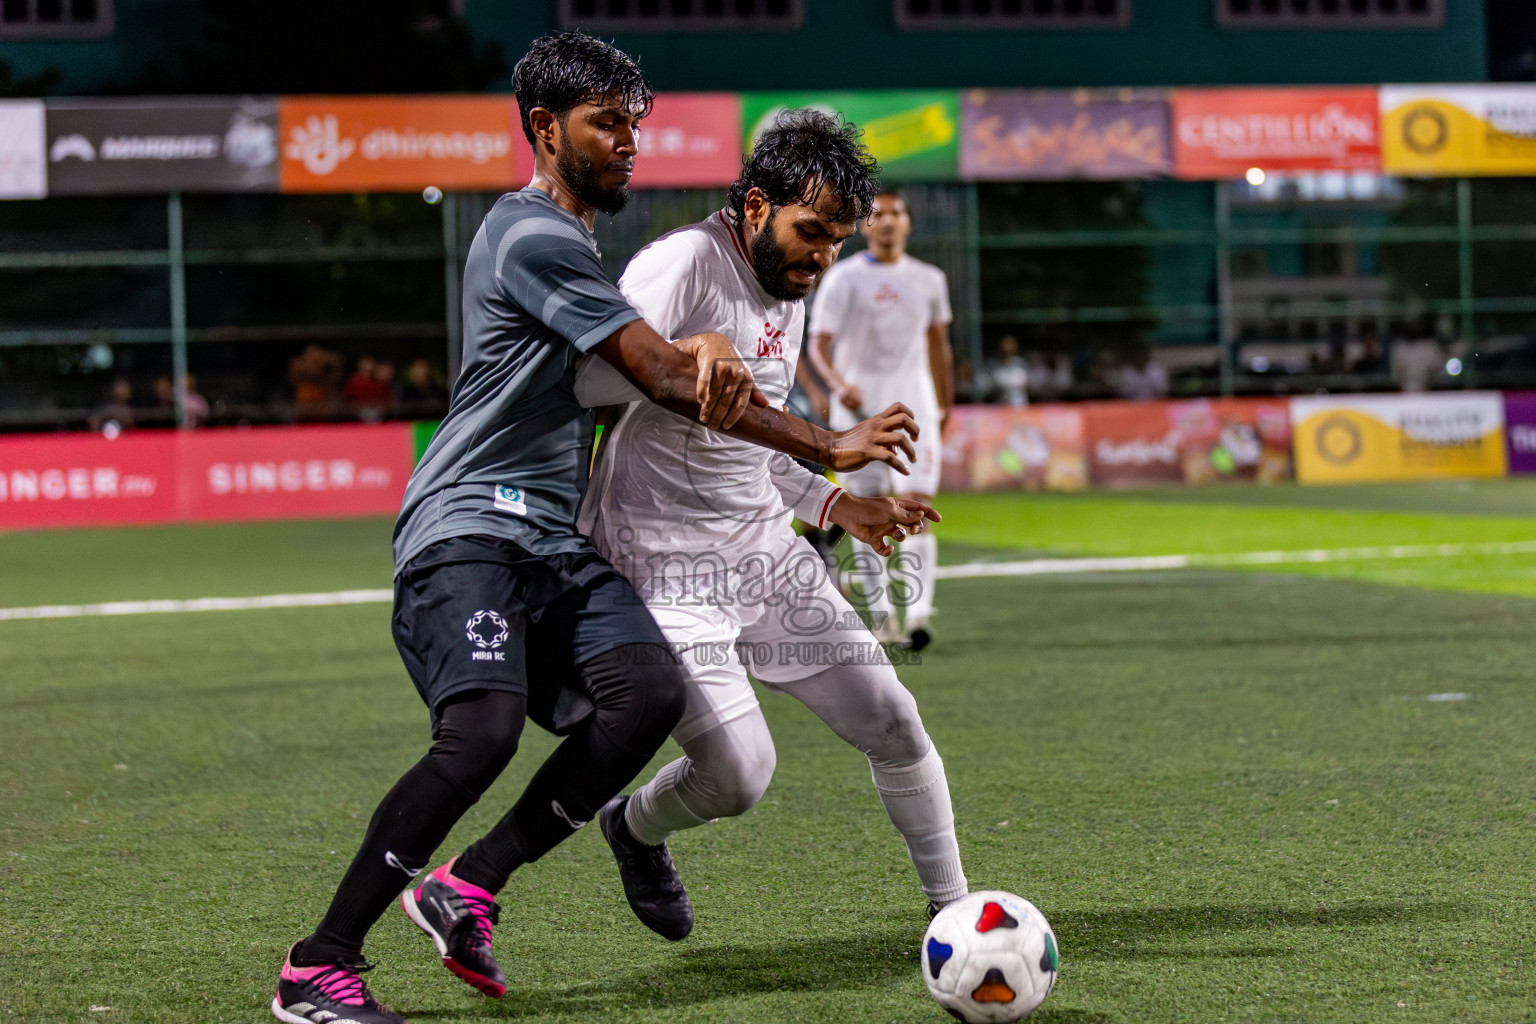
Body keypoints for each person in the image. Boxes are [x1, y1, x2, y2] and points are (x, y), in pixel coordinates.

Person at [271, 34, 920, 1024]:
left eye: (633, 122)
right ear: (544, 128)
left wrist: (787, 459)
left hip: (555, 540)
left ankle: (471, 881)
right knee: (481, 730)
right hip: (469, 523)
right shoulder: (530, 235)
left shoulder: (576, 247)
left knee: (646, 692)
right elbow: (661, 376)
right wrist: (825, 444)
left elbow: (640, 364)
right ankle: (319, 964)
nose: (628, 142)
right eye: (605, 123)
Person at [573, 110, 968, 947]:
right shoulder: (685, 263)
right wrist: (693, 349)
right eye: (812, 233)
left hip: (764, 555)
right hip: (662, 565)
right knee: (742, 775)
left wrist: (834, 505)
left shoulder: (788, 282)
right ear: (756, 206)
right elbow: (580, 380)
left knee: (896, 724)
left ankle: (956, 915)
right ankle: (634, 828)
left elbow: (743, 442)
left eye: (838, 241)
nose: (823, 257)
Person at [808, 189, 956, 650]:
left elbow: (938, 346)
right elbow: (818, 343)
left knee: (916, 509)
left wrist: (945, 403)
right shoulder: (843, 278)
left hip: (917, 408)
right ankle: (884, 617)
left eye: (896, 213)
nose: (888, 221)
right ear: (866, 224)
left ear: (908, 223)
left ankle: (917, 617)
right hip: (862, 414)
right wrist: (836, 385)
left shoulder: (929, 279)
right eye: (878, 214)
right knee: (868, 515)